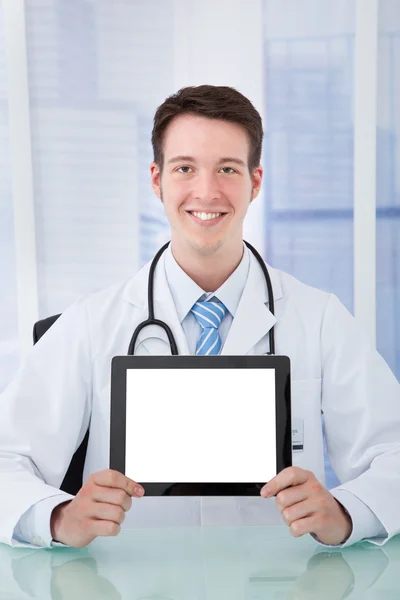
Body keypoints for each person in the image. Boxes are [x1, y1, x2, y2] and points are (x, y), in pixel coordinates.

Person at [0, 85, 399, 550]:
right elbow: (7, 457)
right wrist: (57, 517)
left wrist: (346, 513)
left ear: (255, 181)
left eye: (227, 169)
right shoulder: (89, 324)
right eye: (185, 168)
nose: (206, 191)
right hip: (129, 580)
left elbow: (393, 454)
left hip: (277, 579)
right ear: (157, 179)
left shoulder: (321, 319)